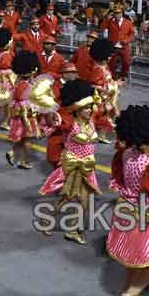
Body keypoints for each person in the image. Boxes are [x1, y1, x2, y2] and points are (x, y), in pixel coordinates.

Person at [105, 105, 149, 296]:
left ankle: (127, 291)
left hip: (126, 208)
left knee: (135, 259)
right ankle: (130, 294)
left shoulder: (125, 154)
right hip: (144, 215)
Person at [38, 79, 99, 245]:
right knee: (67, 198)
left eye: (90, 107)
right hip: (72, 167)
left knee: (84, 201)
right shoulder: (69, 124)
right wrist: (50, 112)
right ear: (76, 110)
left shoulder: (91, 122)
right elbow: (54, 121)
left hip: (87, 167)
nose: (89, 110)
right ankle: (48, 220)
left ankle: (72, 229)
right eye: (85, 108)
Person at [6, 51, 42, 169]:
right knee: (29, 138)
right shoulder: (26, 85)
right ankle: (24, 160)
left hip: (19, 113)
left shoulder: (18, 82)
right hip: (26, 115)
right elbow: (24, 101)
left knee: (23, 137)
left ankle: (12, 152)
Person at [101, 5, 134, 79]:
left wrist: (126, 40)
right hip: (113, 46)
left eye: (119, 13)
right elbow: (102, 27)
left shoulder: (128, 22)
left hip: (124, 46)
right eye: (115, 13)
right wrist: (107, 18)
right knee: (111, 63)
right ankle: (113, 76)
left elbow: (132, 34)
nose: (117, 15)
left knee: (127, 62)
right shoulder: (110, 21)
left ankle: (122, 75)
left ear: (122, 13)